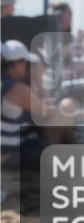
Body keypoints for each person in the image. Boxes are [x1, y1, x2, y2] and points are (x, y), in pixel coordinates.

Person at [1, 40, 47, 170]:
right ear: (16, 64)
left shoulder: (3, 83)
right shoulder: (16, 89)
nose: (27, 67)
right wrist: (40, 82)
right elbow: (47, 112)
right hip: (8, 158)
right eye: (25, 63)